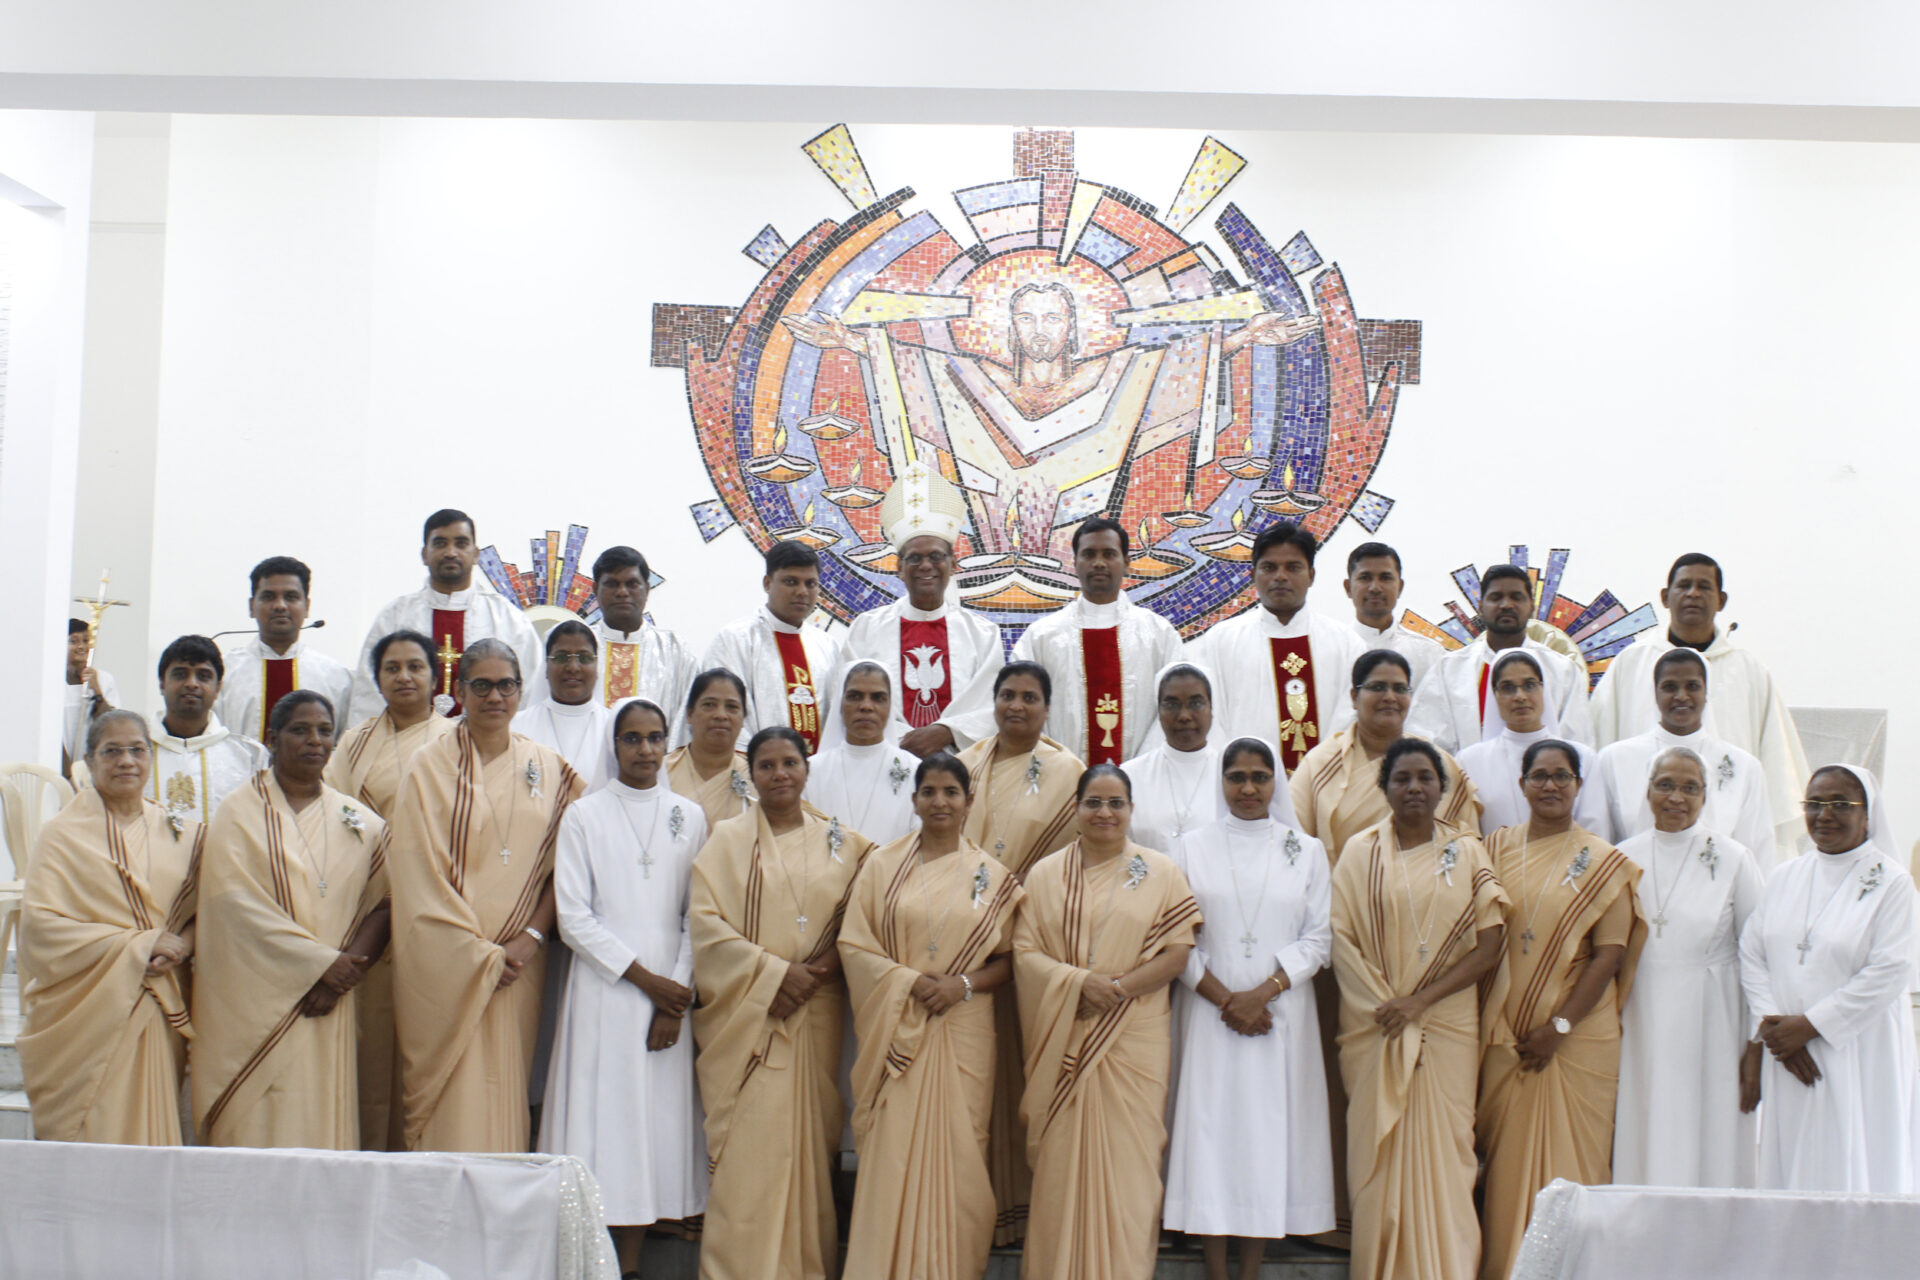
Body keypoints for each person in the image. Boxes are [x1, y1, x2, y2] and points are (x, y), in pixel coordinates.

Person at [689, 726, 874, 1280]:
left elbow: (867, 918)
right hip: (750, 1017)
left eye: (789, 763)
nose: (779, 775)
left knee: (808, 1152)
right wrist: (774, 975)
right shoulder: (726, 841)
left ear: (807, 769)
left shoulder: (844, 842)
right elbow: (706, 926)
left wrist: (816, 973)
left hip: (817, 1011)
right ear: (750, 775)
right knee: (751, 1154)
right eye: (766, 766)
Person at [388, 639, 585, 1152]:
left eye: (506, 685)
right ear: (459, 690)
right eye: (481, 685)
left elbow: (569, 868)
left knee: (503, 1089)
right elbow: (415, 874)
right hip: (446, 967)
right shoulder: (428, 766)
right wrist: (475, 955)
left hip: (520, 966)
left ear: (520, 690)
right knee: (452, 1100)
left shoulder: (550, 768)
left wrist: (531, 938)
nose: (495, 697)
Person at [838, 753, 1025, 1280]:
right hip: (899, 1028)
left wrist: (960, 985)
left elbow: (1011, 960)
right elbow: (854, 945)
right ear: (915, 799)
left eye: (951, 792)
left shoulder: (994, 878)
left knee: (960, 1155)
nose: (940, 802)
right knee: (893, 1154)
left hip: (964, 1029)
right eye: (929, 792)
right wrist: (909, 982)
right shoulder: (882, 866)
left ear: (969, 802)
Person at [1014, 764, 1201, 1280]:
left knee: (1130, 1170)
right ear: (1075, 809)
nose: (1105, 813)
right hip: (1064, 1037)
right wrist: (1077, 984)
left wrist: (1116, 990)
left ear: (1131, 810)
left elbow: (1178, 953)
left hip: (1134, 1038)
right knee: (1060, 1167)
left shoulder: (1160, 871)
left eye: (1116, 803)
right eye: (1093, 802)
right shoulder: (1045, 875)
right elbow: (1024, 953)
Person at [1328, 739, 1507, 1280]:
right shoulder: (1360, 853)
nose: (1413, 788)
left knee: (1448, 1157)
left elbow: (1490, 944)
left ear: (1441, 788)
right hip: (1377, 1025)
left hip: (1448, 1027)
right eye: (1401, 778)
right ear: (1384, 789)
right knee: (1379, 1158)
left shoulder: (1468, 852)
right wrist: (1392, 1008)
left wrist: (1420, 1003)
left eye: (1425, 778)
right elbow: (1342, 940)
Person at [540, 700, 708, 1273]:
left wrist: (674, 998)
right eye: (632, 738)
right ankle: (589, 1264)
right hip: (604, 989)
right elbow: (573, 918)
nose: (645, 749)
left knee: (650, 1130)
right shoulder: (584, 816)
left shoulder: (689, 815)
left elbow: (696, 916)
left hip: (669, 996)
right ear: (614, 747)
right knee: (604, 1125)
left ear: (666, 744)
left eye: (655, 737)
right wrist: (648, 981)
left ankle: (632, 1267)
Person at [192, 691, 392, 1149]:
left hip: (330, 1001)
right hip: (254, 1005)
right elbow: (233, 908)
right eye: (300, 730)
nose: (314, 741)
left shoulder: (360, 822)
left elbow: (386, 903)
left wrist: (343, 974)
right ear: (272, 739)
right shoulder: (239, 814)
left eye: (324, 731)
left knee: (317, 1130)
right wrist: (319, 965)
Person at [1164, 739, 1334, 1276]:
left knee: (1265, 1137)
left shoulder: (1306, 850)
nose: (1248, 788)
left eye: (1260, 777)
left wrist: (1262, 993)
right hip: (1209, 1015)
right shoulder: (1190, 849)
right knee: (1211, 1136)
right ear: (1221, 782)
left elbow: (1319, 939)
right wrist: (1226, 1000)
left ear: (1275, 783)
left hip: (1279, 1017)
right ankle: (1216, 1271)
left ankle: (1252, 1269)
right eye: (1236, 777)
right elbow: (1176, 939)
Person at [1477, 739, 1644, 1280]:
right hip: (1507, 1035)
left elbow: (1610, 954)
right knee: (1506, 1176)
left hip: (1577, 1041)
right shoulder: (1494, 848)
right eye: (1539, 776)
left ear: (1578, 785)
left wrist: (1559, 1026)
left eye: (1562, 776)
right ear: (1522, 784)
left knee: (1574, 1172)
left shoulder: (1603, 861)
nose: (1550, 785)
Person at [17, 709, 203, 1144]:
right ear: (90, 760)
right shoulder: (62, 835)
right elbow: (41, 929)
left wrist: (182, 946)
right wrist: (141, 945)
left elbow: (203, 913)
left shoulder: (183, 833)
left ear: (150, 757)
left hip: (158, 1003)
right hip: (87, 1011)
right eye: (112, 751)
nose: (126, 761)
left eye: (137, 750)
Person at [1739, 764, 1918, 1193]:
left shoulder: (1892, 883)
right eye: (1815, 804)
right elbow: (1751, 952)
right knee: (1792, 1159)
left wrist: (1811, 1026)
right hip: (1787, 1048)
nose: (1825, 815)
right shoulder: (1785, 876)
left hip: (1858, 1047)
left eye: (1841, 804)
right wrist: (1773, 1027)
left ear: (1867, 815)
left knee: (1853, 1158)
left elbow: (1890, 969)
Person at [955, 660, 1086, 1245]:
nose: (1016, 706)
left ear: (1047, 707)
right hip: (962, 951)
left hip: (1032, 950)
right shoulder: (964, 766)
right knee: (972, 1089)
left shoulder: (1068, 773)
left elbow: (1077, 867)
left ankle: (1029, 1213)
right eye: (1007, 695)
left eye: (1030, 697)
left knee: (1029, 1078)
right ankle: (969, 1211)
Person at [324, 627, 455, 1149]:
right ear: (377, 679)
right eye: (392, 668)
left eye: (415, 666)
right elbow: (329, 816)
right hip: (365, 910)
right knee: (371, 1041)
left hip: (433, 909)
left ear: (435, 677)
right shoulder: (353, 743)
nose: (404, 677)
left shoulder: (455, 741)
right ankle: (364, 1154)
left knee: (426, 1039)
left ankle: (423, 1154)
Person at [1613, 747, 1764, 1188]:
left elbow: (1757, 953)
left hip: (1712, 1018)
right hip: (1640, 1013)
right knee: (1646, 1119)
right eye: (1666, 785)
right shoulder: (1621, 857)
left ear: (1705, 796)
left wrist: (1755, 1044)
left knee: (1708, 1127)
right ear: (1647, 792)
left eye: (1690, 788)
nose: (1676, 797)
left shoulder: (1734, 858)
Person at [1591, 553, 1811, 855]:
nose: (1693, 593)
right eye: (1684, 585)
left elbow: (1774, 759)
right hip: (1639, 837)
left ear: (1721, 600)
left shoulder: (1748, 671)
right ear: (1665, 597)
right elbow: (1599, 741)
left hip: (1726, 841)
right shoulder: (1631, 663)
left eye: (1704, 587)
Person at [835, 459, 1005, 755]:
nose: (926, 566)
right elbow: (846, 696)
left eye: (936, 557)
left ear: (953, 564)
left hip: (962, 767)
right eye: (914, 558)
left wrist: (945, 732)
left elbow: (991, 704)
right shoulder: (866, 629)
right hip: (887, 760)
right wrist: (904, 740)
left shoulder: (983, 634)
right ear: (899, 568)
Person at [1010, 517, 1183, 766]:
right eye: (1089, 554)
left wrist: (1142, 767)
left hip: (1142, 775)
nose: (1099, 563)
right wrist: (1057, 767)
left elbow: (1176, 705)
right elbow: (1022, 709)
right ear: (1075, 563)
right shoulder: (1042, 636)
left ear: (1126, 563)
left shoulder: (1158, 634)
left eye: (1109, 554)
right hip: (1061, 776)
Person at [1196, 522, 1363, 775]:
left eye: (1293, 567)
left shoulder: (1347, 643)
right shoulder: (1220, 641)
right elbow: (1211, 719)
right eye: (1269, 567)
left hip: (1327, 784)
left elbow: (1351, 718)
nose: (1280, 576)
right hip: (1245, 787)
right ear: (1252, 575)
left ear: (1311, 575)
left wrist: (1319, 776)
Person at [1291, 650, 1481, 864]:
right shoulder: (1320, 763)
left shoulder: (1438, 763)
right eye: (1377, 687)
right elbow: (1293, 838)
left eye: (1399, 689)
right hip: (1342, 883)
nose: (1390, 697)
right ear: (1354, 697)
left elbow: (1467, 841)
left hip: (1426, 884)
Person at [352, 508, 541, 718]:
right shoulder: (395, 617)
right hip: (408, 736)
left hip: (486, 736)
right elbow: (369, 693)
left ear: (476, 554)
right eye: (440, 543)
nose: (451, 552)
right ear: (425, 554)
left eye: (461, 543)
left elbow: (528, 693)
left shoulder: (509, 620)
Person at [1595, 648, 1776, 865]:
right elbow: (1600, 845)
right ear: (1655, 692)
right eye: (1670, 687)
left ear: (1706, 692)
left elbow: (1757, 853)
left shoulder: (1744, 766)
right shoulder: (1614, 759)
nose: (1681, 696)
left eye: (1692, 686)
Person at [1405, 564, 1592, 754]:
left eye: (1516, 597)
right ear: (1481, 607)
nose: (1506, 605)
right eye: (1496, 597)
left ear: (1531, 607)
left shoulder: (1562, 671)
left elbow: (1578, 745)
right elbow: (1428, 743)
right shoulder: (1449, 670)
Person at [1124, 662, 1300, 852]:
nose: (1184, 716)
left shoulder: (1235, 776)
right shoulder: (1129, 776)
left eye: (1196, 703)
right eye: (1171, 704)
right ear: (1158, 711)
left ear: (1211, 709)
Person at [703, 540, 844, 754]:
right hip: (756, 767)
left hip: (821, 770)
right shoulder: (735, 640)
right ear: (767, 583)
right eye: (791, 582)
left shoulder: (828, 647)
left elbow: (837, 719)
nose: (802, 591)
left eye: (810, 584)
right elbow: (725, 717)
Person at [1455, 650, 1609, 837]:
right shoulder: (1469, 762)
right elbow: (1465, 835)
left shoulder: (1583, 758)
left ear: (1543, 689)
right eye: (1508, 688)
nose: (1520, 696)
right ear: (1494, 695)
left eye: (1529, 685)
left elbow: (1595, 832)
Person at [215, 555, 356, 743]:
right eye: (268, 597)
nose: (280, 606)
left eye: (291, 597)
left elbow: (346, 748)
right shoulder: (224, 674)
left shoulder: (336, 678)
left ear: (307, 607)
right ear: (252, 607)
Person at [144, 635, 269, 825]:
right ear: (162, 684)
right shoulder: (135, 753)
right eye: (180, 674)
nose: (192, 684)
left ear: (218, 688)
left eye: (203, 676)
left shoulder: (249, 756)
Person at [806, 662, 922, 847]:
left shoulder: (916, 770)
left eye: (878, 698)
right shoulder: (810, 771)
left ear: (890, 706)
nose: (866, 706)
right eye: (855, 696)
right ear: (840, 704)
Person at [586, 545, 698, 731]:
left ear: (646, 589)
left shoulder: (674, 650)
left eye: (632, 584)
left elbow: (687, 723)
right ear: (595, 589)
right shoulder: (579, 647)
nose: (622, 592)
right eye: (612, 584)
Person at [513, 620, 614, 791]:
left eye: (584, 658)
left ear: (597, 667)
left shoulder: (614, 729)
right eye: (561, 657)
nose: (573, 667)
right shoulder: (516, 728)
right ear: (546, 667)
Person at [1342, 541, 1444, 691]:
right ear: (1348, 587)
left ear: (1400, 587)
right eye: (1365, 577)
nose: (1375, 588)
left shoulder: (1429, 655)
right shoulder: (1332, 650)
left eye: (1385, 578)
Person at [664, 668, 757, 831]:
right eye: (709, 705)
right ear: (689, 714)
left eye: (732, 707)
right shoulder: (662, 771)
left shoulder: (757, 776)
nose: (721, 715)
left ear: (743, 719)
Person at [62, 617, 118, 778]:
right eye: (74, 641)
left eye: (86, 641)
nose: (81, 646)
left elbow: (112, 726)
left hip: (95, 766)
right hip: (61, 766)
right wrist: (67, 773)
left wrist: (97, 690)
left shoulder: (105, 680)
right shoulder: (52, 683)